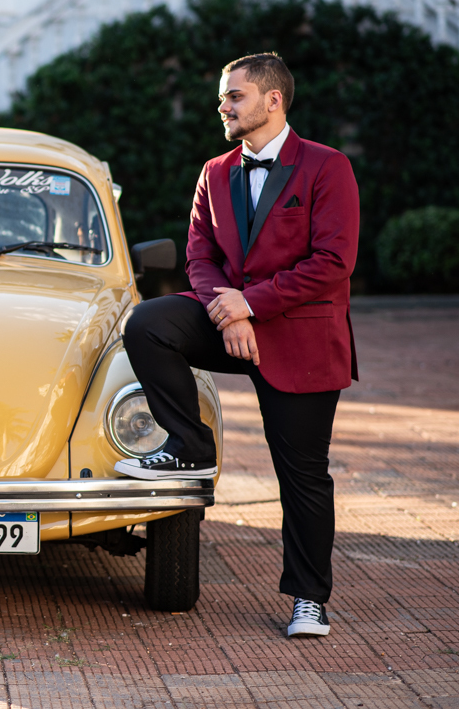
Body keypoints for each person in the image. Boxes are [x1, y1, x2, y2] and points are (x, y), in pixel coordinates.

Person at [113, 53, 359, 638]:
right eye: (224, 97)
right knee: (148, 324)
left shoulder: (328, 167)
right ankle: (191, 445)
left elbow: (333, 262)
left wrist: (252, 304)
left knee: (302, 476)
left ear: (273, 100)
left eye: (235, 97)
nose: (222, 106)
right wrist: (227, 310)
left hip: (299, 336)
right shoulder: (215, 170)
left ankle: (309, 599)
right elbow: (200, 255)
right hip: (234, 323)